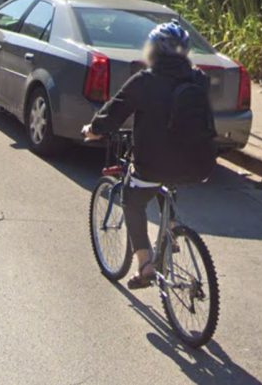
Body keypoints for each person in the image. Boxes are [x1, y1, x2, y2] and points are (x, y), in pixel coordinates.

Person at [82, 20, 210, 289]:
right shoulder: (199, 78)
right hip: (198, 162)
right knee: (169, 182)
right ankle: (170, 234)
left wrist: (94, 129)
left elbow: (114, 111)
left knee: (132, 199)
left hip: (152, 163)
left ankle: (145, 265)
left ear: (154, 50)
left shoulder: (145, 81)